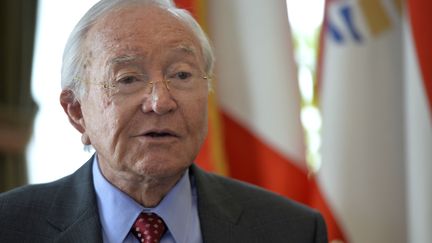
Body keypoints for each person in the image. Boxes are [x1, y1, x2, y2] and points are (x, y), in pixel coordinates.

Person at [0, 0, 328, 242]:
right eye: (127, 79)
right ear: (76, 111)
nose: (160, 102)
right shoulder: (10, 226)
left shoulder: (290, 230)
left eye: (182, 74)